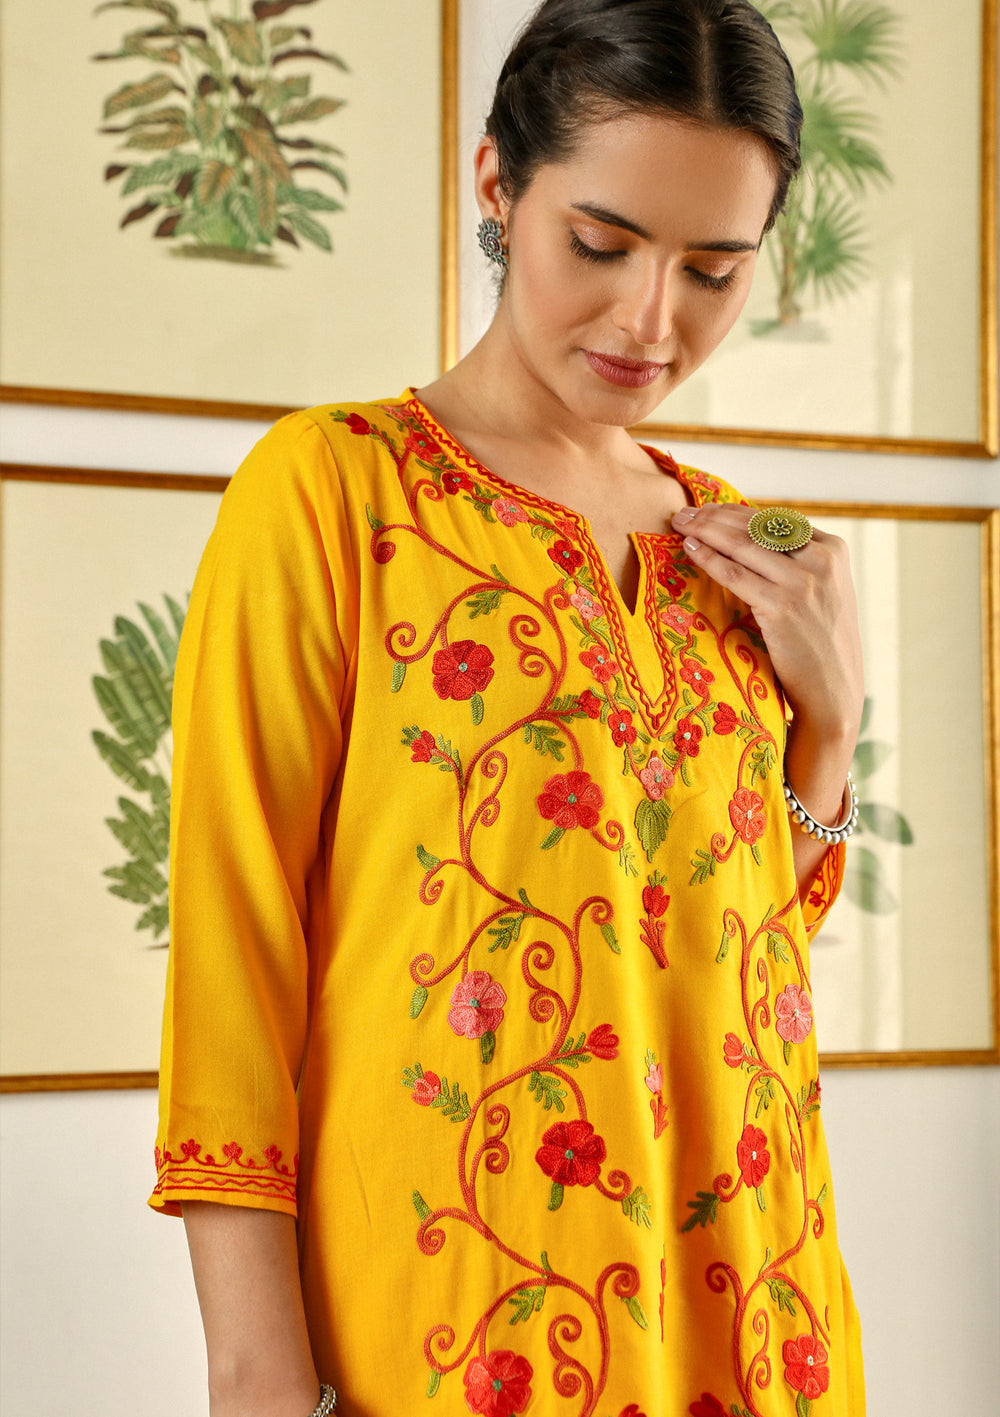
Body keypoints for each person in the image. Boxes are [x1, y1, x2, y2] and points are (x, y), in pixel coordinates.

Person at [150, 2, 866, 1413]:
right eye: (600, 245)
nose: (651, 321)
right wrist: (255, 1377)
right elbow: (233, 962)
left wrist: (830, 730)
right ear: (498, 185)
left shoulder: (738, 544)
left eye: (713, 270)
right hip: (466, 1326)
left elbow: (741, 952)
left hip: (755, 1305)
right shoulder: (333, 494)